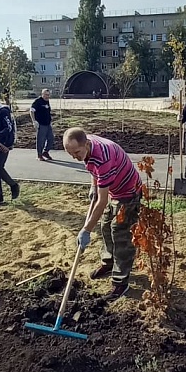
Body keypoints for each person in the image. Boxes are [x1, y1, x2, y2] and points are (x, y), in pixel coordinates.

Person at [63, 127, 142, 300]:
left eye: (76, 152)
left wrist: (86, 230)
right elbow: (92, 168)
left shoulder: (102, 158)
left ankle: (121, 283)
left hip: (129, 192)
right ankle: (108, 263)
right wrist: (94, 185)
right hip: (115, 189)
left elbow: (102, 201)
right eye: (70, 154)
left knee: (119, 231)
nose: (74, 157)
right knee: (105, 225)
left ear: (86, 143)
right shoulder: (87, 145)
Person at [30, 88, 54, 160]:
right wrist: (34, 121)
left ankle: (45, 152)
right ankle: (39, 155)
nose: (47, 96)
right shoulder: (38, 101)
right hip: (41, 124)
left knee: (51, 138)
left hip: (47, 124)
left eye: (48, 95)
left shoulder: (47, 101)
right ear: (42, 94)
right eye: (46, 95)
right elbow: (31, 111)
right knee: (41, 140)